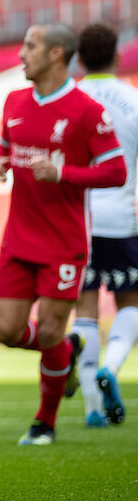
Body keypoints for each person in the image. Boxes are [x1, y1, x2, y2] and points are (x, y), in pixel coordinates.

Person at [0, 23, 126, 445]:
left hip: (64, 243)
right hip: (19, 238)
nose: (21, 54)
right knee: (5, 331)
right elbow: (4, 146)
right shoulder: (14, 101)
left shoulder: (86, 111)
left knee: (47, 331)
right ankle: (67, 352)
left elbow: (116, 171)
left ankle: (44, 424)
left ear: (56, 55)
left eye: (30, 46)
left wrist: (63, 173)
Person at [71, 22, 138, 427]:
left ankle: (93, 408)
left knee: (85, 308)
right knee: (131, 301)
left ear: (79, 58)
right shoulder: (132, 99)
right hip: (122, 219)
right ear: (117, 55)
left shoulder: (71, 100)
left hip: (78, 220)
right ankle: (110, 368)